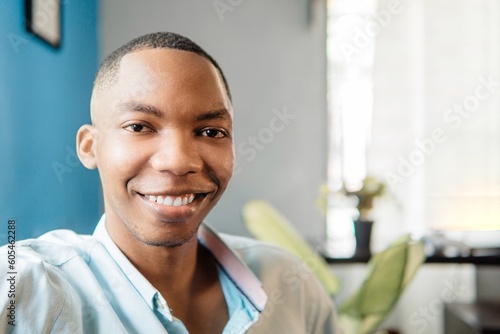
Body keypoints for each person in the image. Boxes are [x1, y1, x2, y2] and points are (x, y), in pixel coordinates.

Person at [1, 32, 339, 333]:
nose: (179, 161)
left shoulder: (292, 285)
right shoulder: (28, 285)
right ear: (90, 147)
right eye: (139, 126)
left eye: (210, 132)